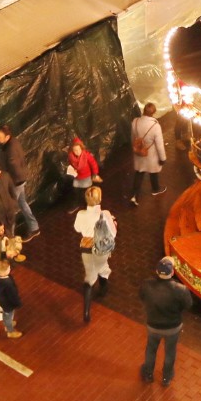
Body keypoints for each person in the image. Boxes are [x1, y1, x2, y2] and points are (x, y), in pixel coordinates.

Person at [139, 256, 192, 386]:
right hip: (172, 327)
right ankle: (166, 378)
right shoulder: (181, 289)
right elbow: (188, 305)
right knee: (170, 351)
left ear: (157, 271)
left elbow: (141, 296)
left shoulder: (147, 285)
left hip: (153, 325)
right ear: (172, 272)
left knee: (151, 349)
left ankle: (148, 374)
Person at [75, 184, 117, 323]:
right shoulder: (104, 214)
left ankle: (86, 310)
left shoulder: (80, 214)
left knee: (89, 272)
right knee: (102, 267)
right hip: (101, 248)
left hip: (86, 248)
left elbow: (77, 228)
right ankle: (103, 287)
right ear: (99, 199)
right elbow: (113, 232)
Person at [0, 124, 40, 241]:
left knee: (10, 210)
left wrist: (9, 184)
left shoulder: (10, 151)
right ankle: (34, 227)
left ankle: (10, 237)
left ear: (7, 137)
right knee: (22, 203)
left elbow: (13, 168)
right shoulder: (13, 142)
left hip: (16, 182)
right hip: (21, 180)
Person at [129, 102, 167, 205]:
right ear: (153, 113)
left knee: (139, 173)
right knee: (153, 172)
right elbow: (159, 145)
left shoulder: (135, 121)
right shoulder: (155, 126)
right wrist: (162, 158)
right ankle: (156, 189)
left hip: (139, 152)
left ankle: (134, 195)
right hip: (150, 155)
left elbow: (133, 138)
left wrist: (136, 147)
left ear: (143, 110)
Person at [0, 259, 23, 338]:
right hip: (8, 304)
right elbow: (13, 295)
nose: (10, 269)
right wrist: (18, 303)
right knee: (8, 315)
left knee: (6, 314)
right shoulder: (7, 283)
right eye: (9, 268)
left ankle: (7, 324)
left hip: (3, 301)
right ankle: (10, 331)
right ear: (4, 272)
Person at [67, 136, 102, 204]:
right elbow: (70, 165)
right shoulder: (71, 157)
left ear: (81, 148)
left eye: (78, 150)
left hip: (86, 176)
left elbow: (93, 163)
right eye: (75, 150)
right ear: (72, 150)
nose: (77, 152)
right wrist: (72, 170)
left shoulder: (86, 155)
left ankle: (89, 202)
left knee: (88, 191)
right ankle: (76, 203)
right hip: (78, 177)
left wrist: (95, 173)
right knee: (76, 190)